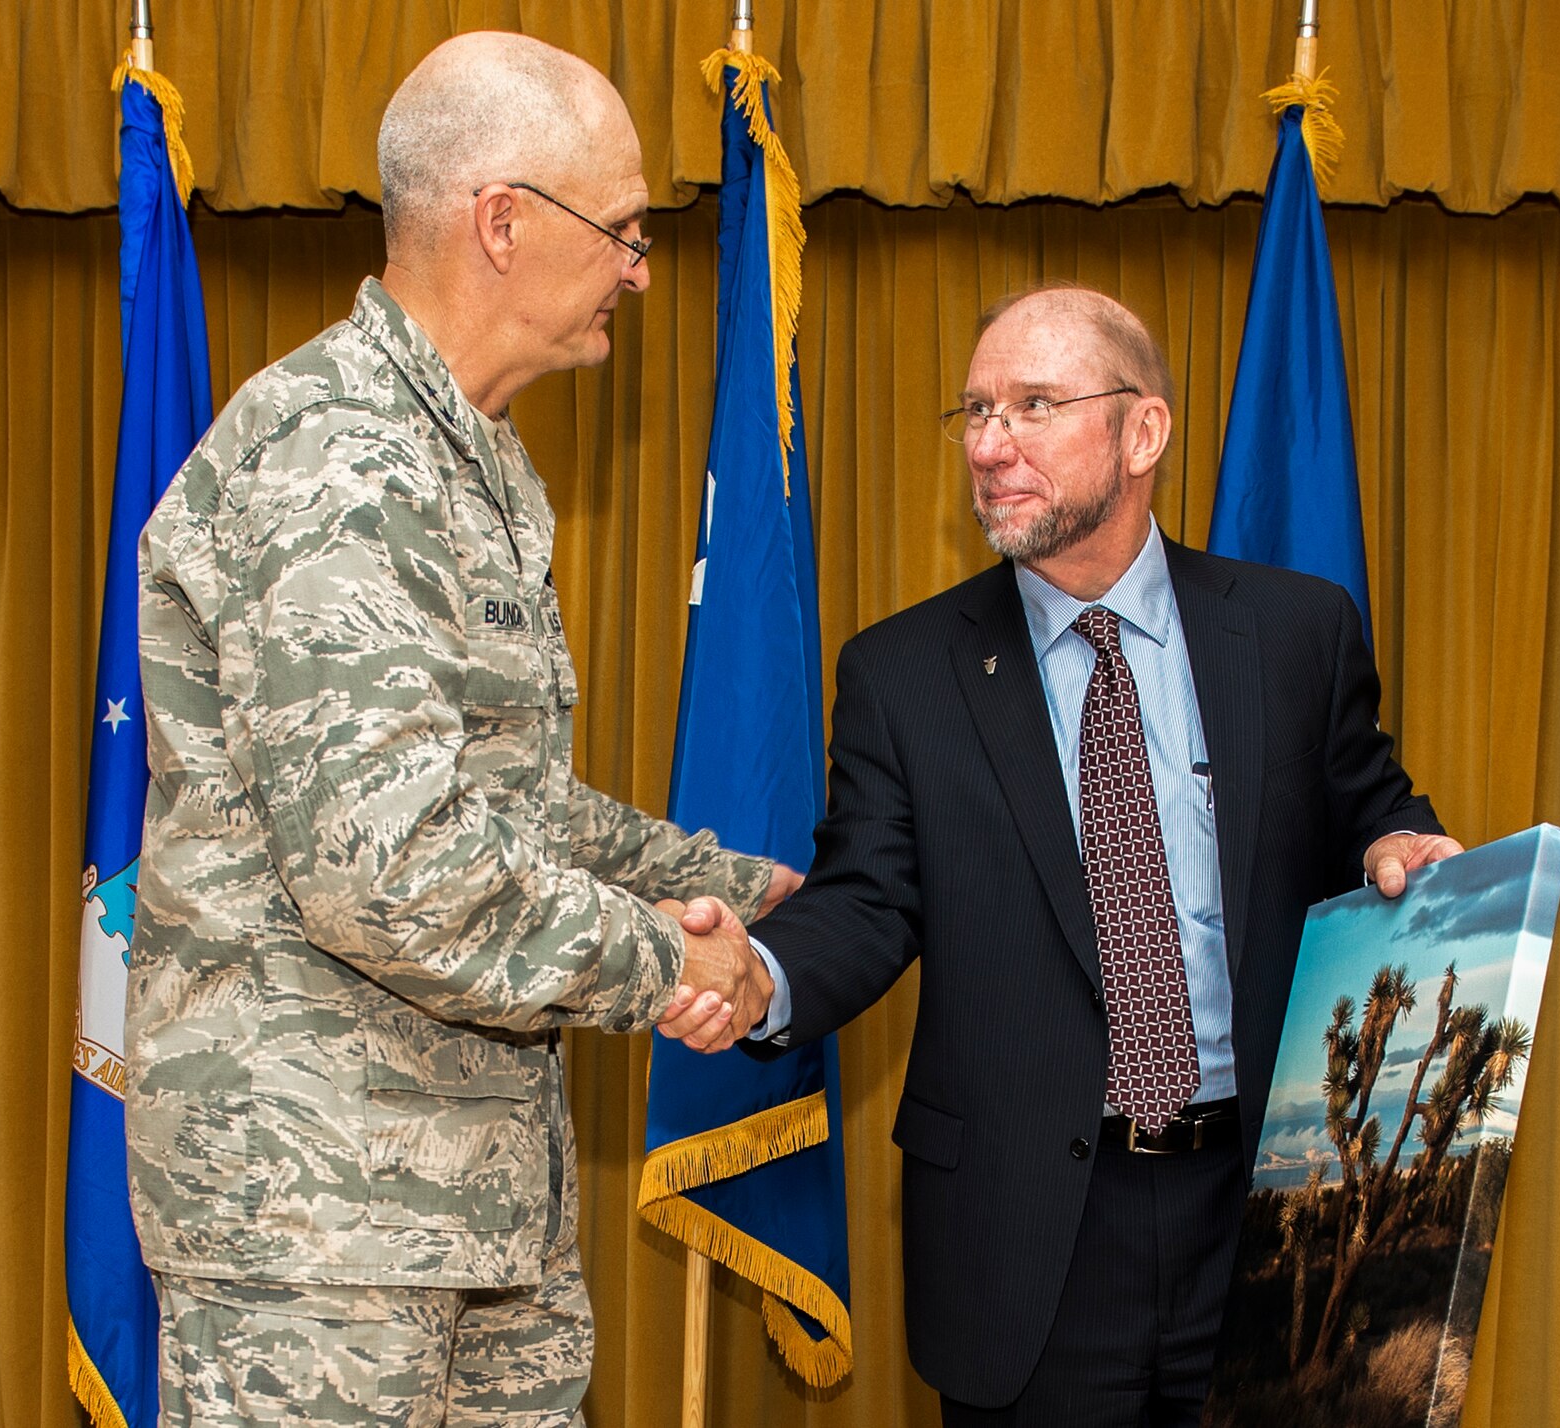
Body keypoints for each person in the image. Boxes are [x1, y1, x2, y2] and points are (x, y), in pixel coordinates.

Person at [665, 285, 1462, 1425]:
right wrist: (763, 977)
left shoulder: (1295, 633)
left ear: (1142, 432)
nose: (989, 445)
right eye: (976, 411)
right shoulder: (902, 674)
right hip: (1026, 1234)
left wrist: (1397, 841)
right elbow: (865, 901)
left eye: (1034, 406)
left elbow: (1368, 807)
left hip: (1263, 1212)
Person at [127, 32, 774, 1428]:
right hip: (316, 1225)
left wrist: (727, 884)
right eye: (624, 229)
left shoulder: (463, 462)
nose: (640, 269)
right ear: (501, 222)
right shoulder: (339, 457)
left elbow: (508, 811)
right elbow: (394, 870)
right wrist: (669, 957)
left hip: (471, 1197)